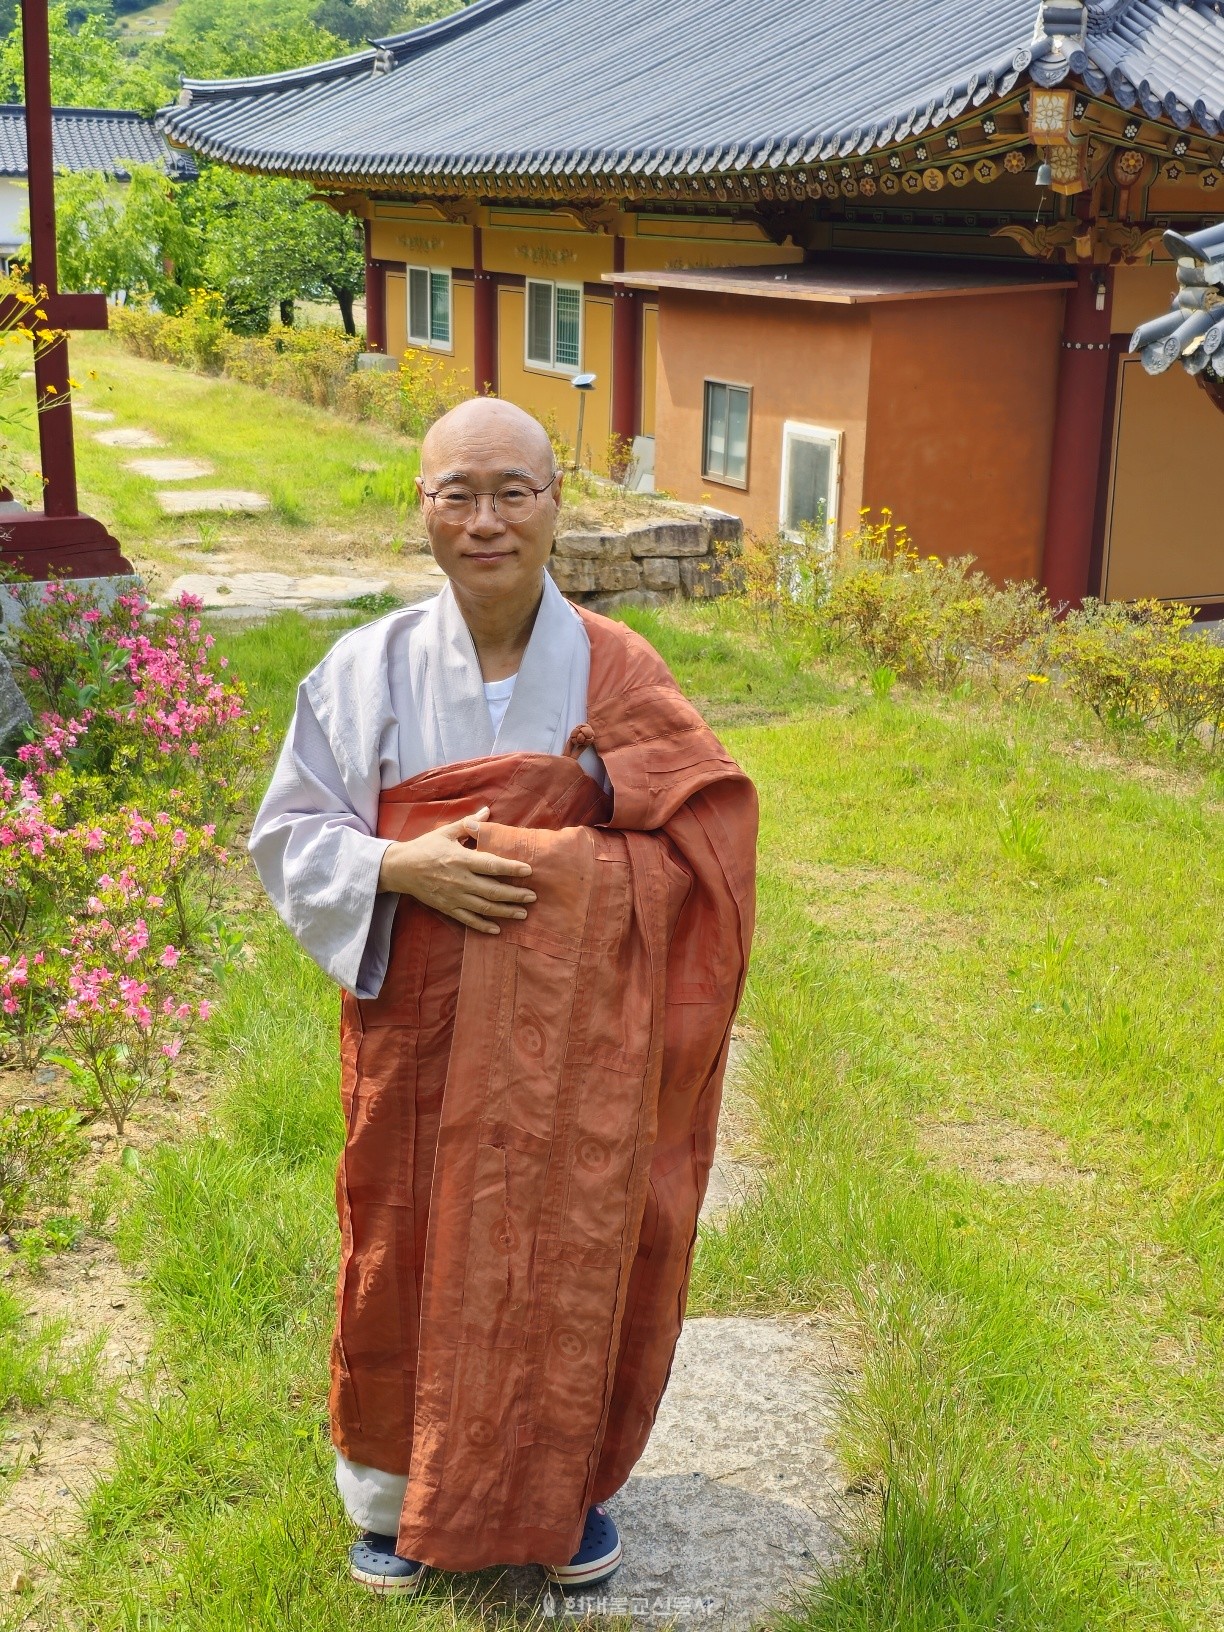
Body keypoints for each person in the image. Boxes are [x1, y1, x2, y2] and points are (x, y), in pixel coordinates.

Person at [249, 397, 757, 1596]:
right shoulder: (362, 668)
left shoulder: (620, 668)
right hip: (418, 1028)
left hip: (580, 1039)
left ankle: (561, 1494)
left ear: (555, 505)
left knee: (577, 1240)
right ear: (422, 507)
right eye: (458, 494)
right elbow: (289, 834)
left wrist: (563, 861)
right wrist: (397, 865)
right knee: (405, 1244)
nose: (486, 521)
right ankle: (393, 1500)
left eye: (512, 493)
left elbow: (705, 834)